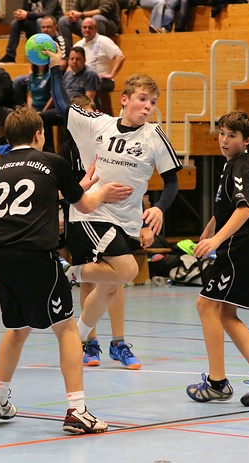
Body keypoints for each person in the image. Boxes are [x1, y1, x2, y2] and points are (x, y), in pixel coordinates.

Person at [0, 106, 132, 433]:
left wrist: (75, 186)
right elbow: (85, 205)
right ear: (39, 134)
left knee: (17, 327)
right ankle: (77, 411)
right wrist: (103, 191)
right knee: (66, 329)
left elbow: (36, 194)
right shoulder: (53, 161)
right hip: (35, 253)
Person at [48, 46, 182, 369]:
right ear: (124, 99)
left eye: (153, 102)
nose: (148, 106)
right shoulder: (100, 124)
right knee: (127, 270)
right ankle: (75, 286)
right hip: (92, 212)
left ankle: (83, 335)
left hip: (127, 220)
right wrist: (54, 68)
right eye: (142, 99)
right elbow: (63, 106)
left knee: (111, 284)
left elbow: (172, 182)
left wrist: (158, 210)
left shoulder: (154, 136)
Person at [185, 110, 249, 407]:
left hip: (245, 245)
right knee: (225, 314)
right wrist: (209, 229)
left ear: (247, 140)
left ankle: (217, 382)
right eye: (222, 134)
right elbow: (227, 208)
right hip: (248, 244)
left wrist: (216, 240)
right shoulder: (233, 165)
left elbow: (243, 209)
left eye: (232, 136)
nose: (224, 140)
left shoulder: (241, 166)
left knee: (205, 304)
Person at [58, 95, 130, 368]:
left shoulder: (110, 140)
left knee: (116, 277)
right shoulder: (67, 150)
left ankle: (119, 342)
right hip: (81, 217)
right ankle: (91, 342)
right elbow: (65, 191)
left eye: (88, 115)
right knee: (89, 280)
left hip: (112, 216)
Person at [39, 46, 98, 153]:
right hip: (64, 108)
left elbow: (89, 100)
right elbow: (56, 95)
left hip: (78, 112)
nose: (74, 61)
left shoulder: (90, 74)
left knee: (69, 119)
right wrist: (44, 110)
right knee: (43, 116)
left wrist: (73, 112)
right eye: (72, 59)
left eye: (78, 59)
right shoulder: (67, 74)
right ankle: (49, 152)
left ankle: (66, 153)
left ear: (84, 60)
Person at [11, 15, 69, 108]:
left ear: (56, 27)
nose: (45, 29)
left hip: (54, 73)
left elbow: (63, 64)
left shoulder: (60, 41)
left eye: (48, 27)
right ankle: (23, 110)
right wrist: (31, 74)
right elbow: (33, 60)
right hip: (40, 71)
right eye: (43, 27)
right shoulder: (38, 40)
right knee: (18, 81)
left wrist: (46, 71)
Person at [0, 0, 63, 64]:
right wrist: (20, 15)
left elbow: (48, 13)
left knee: (40, 21)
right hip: (34, 22)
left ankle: (41, 51)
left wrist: (27, 14)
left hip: (51, 23)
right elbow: (25, 11)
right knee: (15, 23)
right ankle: (10, 55)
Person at [73, 16, 124, 94]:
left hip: (103, 81)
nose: (87, 30)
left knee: (89, 82)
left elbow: (120, 57)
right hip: (84, 80)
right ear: (81, 29)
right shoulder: (78, 45)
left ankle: (88, 102)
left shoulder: (104, 40)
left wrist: (112, 75)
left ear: (96, 29)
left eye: (90, 27)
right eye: (85, 27)